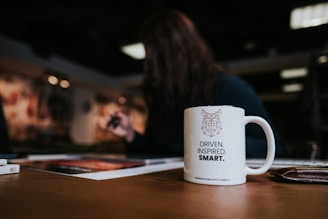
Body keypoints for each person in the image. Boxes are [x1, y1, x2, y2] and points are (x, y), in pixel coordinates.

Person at [106, 9, 285, 158]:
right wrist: (130, 134)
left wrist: (215, 142)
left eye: (155, 56)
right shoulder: (164, 95)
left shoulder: (229, 88)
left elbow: (275, 147)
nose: (148, 65)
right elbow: (157, 149)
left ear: (177, 54)